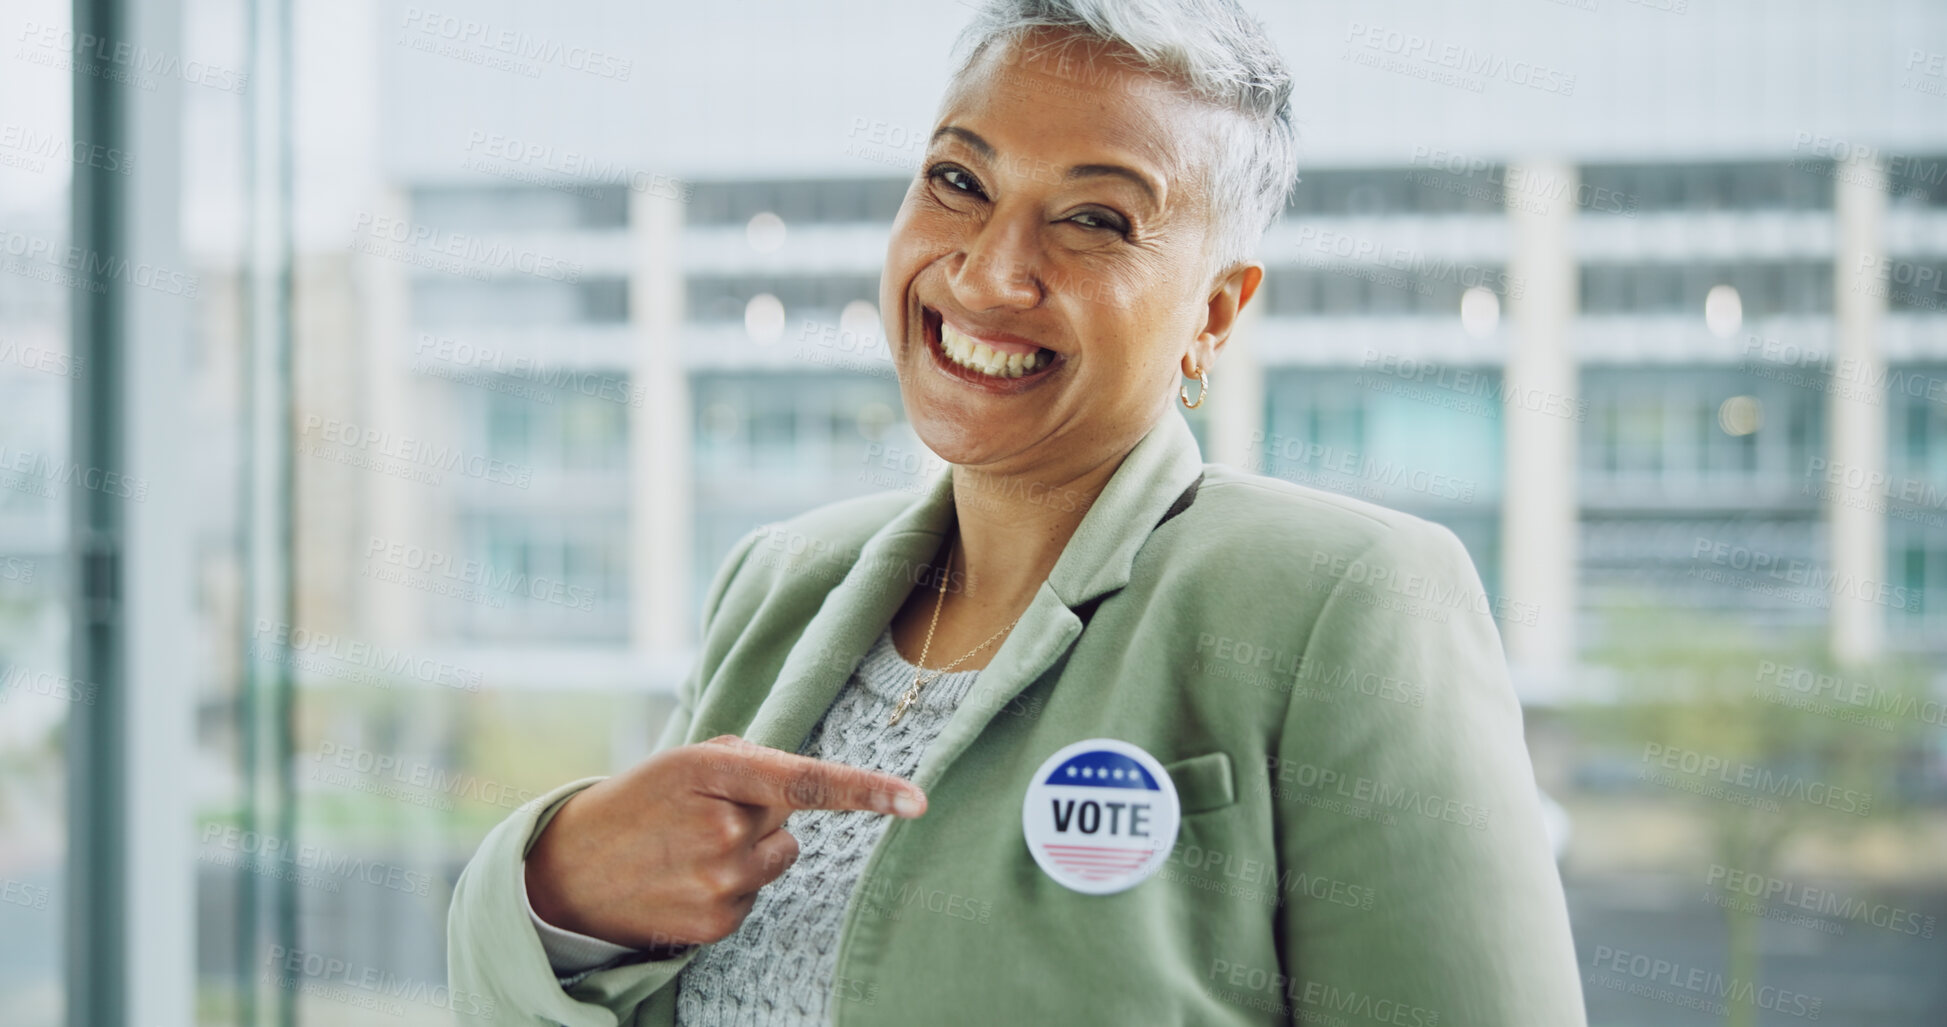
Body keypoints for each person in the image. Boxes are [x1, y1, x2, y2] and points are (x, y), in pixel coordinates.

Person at [448, 1, 1587, 1023]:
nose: (991, 274)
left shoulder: (1350, 599)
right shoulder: (777, 582)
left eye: (1094, 219)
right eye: (958, 182)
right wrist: (556, 886)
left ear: (1217, 313)